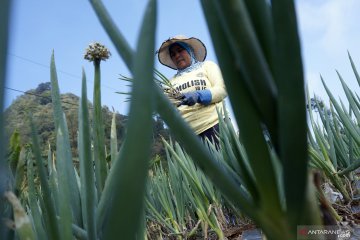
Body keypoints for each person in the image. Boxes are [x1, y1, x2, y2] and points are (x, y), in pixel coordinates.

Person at [157, 35, 227, 146]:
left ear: (189, 51)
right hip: (189, 138)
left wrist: (199, 95)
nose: (177, 56)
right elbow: (168, 110)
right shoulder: (169, 83)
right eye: (173, 54)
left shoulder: (207, 66)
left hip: (215, 126)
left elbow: (222, 90)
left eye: (180, 50)